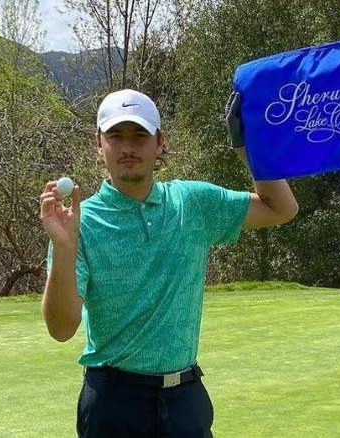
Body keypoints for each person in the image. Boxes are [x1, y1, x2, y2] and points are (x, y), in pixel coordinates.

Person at [39, 89, 298, 437]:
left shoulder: (192, 202)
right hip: (113, 403)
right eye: (116, 135)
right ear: (98, 144)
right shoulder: (77, 222)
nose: (128, 147)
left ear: (159, 142)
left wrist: (249, 148)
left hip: (185, 400)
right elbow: (61, 328)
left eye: (140, 135)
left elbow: (282, 208)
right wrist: (64, 246)